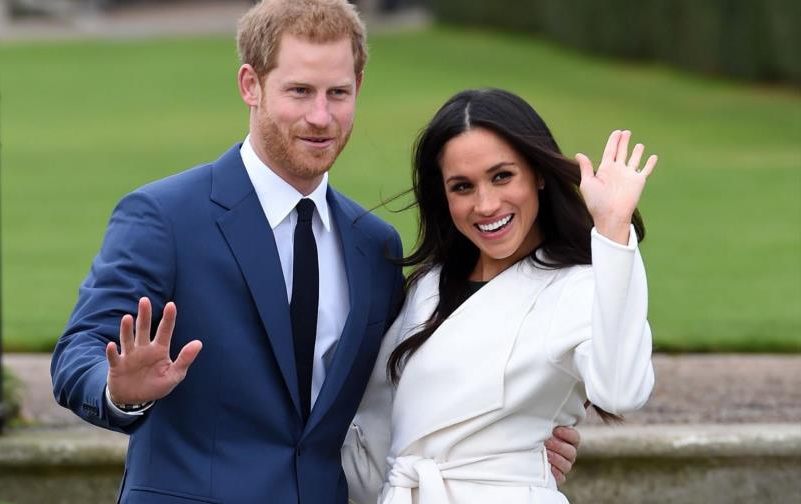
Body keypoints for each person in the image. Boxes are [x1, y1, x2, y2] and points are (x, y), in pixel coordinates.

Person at [50, 2, 578, 503]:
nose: (321, 117)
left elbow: (400, 390)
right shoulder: (165, 216)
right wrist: (122, 392)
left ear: (359, 88)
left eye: (337, 93)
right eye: (299, 91)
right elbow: (78, 351)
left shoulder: (374, 245)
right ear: (250, 85)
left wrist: (509, 441)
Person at [342, 88, 657, 504]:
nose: (486, 204)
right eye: (462, 186)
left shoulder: (578, 286)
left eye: (502, 176)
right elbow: (379, 425)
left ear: (538, 173)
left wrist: (613, 232)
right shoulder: (427, 286)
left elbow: (622, 391)